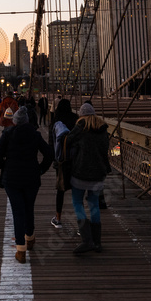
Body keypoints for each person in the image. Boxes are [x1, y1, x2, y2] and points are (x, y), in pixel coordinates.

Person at [0, 106, 54, 263]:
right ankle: (30, 238)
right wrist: (41, 169)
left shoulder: (8, 134)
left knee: (17, 211)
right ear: (27, 121)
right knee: (29, 208)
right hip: (31, 178)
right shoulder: (35, 134)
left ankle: (21, 250)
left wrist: (4, 167)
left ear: (15, 122)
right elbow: (49, 154)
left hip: (12, 179)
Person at [64, 101, 110, 255]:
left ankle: (86, 240)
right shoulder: (103, 129)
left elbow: (67, 141)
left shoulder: (80, 128)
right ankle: (97, 242)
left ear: (82, 115)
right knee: (94, 204)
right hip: (98, 173)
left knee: (77, 203)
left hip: (80, 171)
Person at [48, 98, 77, 229]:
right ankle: (79, 221)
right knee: (77, 190)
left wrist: (52, 160)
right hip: (75, 159)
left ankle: (58, 218)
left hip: (60, 161)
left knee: (61, 189)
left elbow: (51, 143)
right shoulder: (76, 119)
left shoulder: (55, 121)